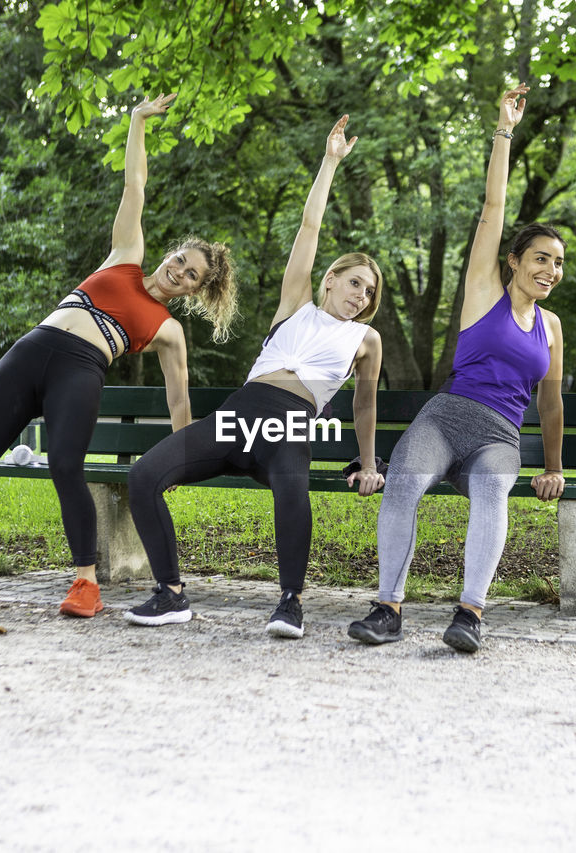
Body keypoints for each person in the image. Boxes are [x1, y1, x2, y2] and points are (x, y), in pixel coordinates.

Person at [0, 92, 238, 618]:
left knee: (67, 465)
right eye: (180, 260)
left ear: (195, 292)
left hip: (80, 368)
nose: (180, 272)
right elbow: (134, 185)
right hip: (30, 350)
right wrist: (137, 121)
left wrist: (183, 458)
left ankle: (85, 584)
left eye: (192, 276)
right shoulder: (125, 256)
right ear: (169, 253)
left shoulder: (168, 331)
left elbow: (178, 400)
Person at [124, 114, 383, 639]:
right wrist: (329, 162)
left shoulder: (365, 341)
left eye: (370, 293)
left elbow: (364, 406)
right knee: (144, 475)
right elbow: (309, 229)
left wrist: (370, 463)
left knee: (293, 488)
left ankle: (290, 602)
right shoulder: (297, 305)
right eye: (355, 283)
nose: (362, 296)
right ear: (330, 280)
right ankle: (170, 593)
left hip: (288, 426)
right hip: (238, 416)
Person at [347, 84, 566, 653]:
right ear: (515, 260)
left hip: (499, 436)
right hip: (444, 420)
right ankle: (387, 609)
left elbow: (550, 402)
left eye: (558, 263)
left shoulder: (552, 327)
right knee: (402, 486)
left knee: (492, 492)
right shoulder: (483, 291)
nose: (550, 269)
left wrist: (554, 466)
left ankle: (469, 614)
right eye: (541, 257)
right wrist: (504, 130)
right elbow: (494, 208)